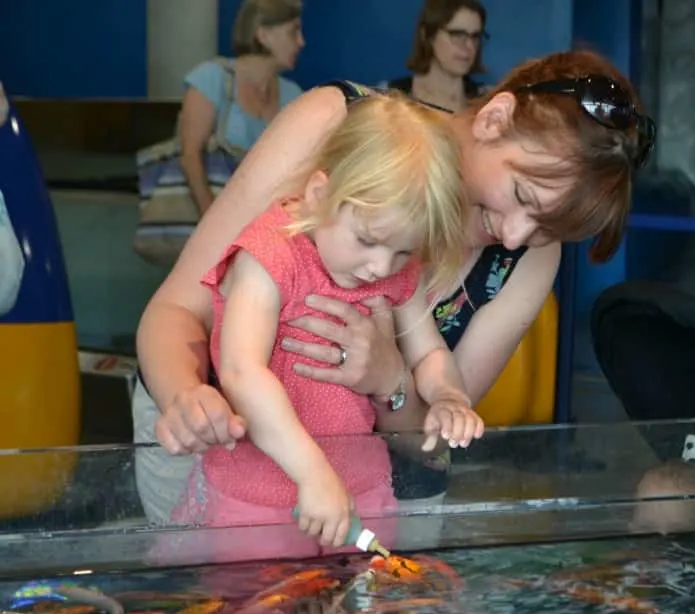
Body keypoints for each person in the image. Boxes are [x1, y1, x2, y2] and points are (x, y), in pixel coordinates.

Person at [133, 49, 656, 543]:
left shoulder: (530, 258)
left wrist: (390, 381)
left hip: (370, 491)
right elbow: (177, 310)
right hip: (224, 462)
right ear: (494, 118)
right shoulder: (345, 129)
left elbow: (429, 445)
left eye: (549, 228)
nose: (516, 236)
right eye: (522, 195)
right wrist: (185, 396)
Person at [158, 93, 484, 563]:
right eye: (367, 240)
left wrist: (448, 395)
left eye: (401, 252)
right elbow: (241, 371)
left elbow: (429, 352)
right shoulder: (269, 255)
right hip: (256, 502)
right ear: (319, 193)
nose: (379, 267)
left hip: (362, 490)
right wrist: (313, 474)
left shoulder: (393, 267)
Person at [179, 0, 305, 216]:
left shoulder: (293, 95)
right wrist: (211, 223)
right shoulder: (211, 79)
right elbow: (190, 157)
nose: (301, 42)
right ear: (263, 35)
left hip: (263, 227)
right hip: (204, 222)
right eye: (293, 32)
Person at [384, 0, 490, 112]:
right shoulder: (386, 100)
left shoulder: (491, 103)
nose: (470, 46)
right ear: (427, 35)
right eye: (457, 34)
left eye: (475, 36)